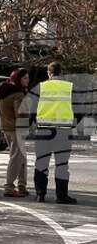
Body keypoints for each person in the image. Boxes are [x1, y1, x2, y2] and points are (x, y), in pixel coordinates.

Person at [32, 61, 77, 204]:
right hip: (63, 131)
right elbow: (78, 108)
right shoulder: (69, 87)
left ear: (49, 73)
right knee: (62, 164)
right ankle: (61, 195)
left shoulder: (40, 87)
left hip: (43, 129)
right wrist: (73, 122)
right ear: (61, 73)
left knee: (41, 162)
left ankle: (40, 194)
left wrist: (33, 123)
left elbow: (31, 108)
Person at [0, 68, 30, 197]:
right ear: (18, 79)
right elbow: (20, 113)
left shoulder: (3, 91)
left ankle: (22, 184)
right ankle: (9, 186)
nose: (27, 80)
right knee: (16, 157)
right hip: (17, 129)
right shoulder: (18, 94)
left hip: (7, 127)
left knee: (21, 157)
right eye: (25, 78)